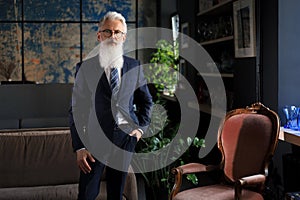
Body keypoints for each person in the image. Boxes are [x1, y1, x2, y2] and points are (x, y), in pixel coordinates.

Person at [69, 11, 153, 200]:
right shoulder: (85, 68)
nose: (113, 37)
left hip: (125, 139)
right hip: (93, 141)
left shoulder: (135, 66)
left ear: (124, 37)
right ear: (99, 36)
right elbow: (76, 110)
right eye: (108, 32)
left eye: (117, 32)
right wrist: (80, 147)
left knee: (117, 193)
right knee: (87, 194)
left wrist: (139, 130)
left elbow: (146, 101)